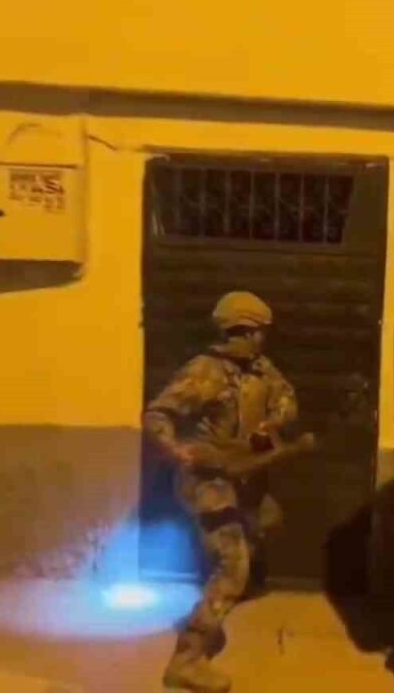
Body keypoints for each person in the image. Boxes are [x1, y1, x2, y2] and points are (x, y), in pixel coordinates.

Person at [145, 291, 297, 693]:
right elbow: (158, 413)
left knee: (264, 528)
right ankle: (187, 660)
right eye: (258, 332)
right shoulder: (205, 372)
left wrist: (271, 422)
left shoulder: (262, 370)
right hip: (208, 482)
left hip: (244, 477)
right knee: (233, 567)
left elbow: (287, 400)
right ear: (241, 330)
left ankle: (213, 599)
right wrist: (177, 450)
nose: (263, 339)